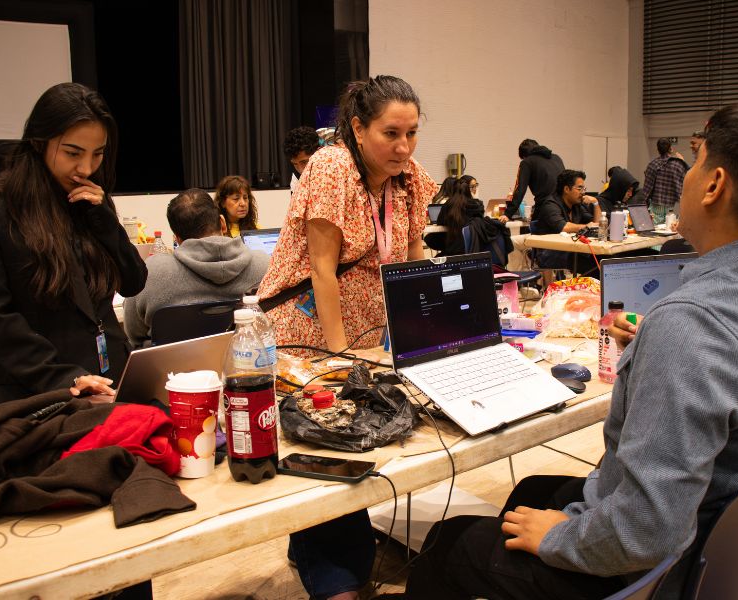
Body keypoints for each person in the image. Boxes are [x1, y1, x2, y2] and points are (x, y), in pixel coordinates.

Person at [390, 99, 738, 600]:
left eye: (695, 165)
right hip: (720, 543)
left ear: (714, 185)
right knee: (532, 493)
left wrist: (562, 538)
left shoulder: (693, 327)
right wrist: (659, 342)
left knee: (450, 542)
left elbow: (646, 531)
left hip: (660, 568)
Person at [257, 75, 437, 600]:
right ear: (358, 128)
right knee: (327, 440)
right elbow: (320, 269)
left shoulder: (408, 177)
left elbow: (411, 259)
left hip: (365, 328)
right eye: (390, 133)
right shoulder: (332, 166)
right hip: (308, 327)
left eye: (411, 133)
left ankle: (319, 552)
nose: (403, 146)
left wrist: (418, 335)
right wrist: (337, 359)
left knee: (363, 439)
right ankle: (333, 573)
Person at [0, 82, 147, 404]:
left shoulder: (90, 200)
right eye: (72, 153)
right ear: (39, 142)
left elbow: (133, 282)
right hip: (43, 392)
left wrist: (105, 220)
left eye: (98, 154)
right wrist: (65, 379)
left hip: (112, 382)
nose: (86, 168)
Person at [122, 188, 270, 347]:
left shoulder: (149, 273)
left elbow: (133, 336)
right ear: (222, 223)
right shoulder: (265, 265)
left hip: (170, 368)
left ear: (177, 239)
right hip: (248, 364)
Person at [532, 169, 600, 271]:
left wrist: (595, 203)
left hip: (571, 249)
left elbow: (596, 224)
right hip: (550, 253)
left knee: (600, 259)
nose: (583, 193)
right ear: (567, 189)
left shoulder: (577, 205)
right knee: (593, 262)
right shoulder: (550, 205)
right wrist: (586, 226)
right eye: (579, 189)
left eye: (584, 189)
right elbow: (563, 227)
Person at [436, 178, 510, 260]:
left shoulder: (449, 204)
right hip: (477, 251)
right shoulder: (477, 205)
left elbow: (440, 222)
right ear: (468, 189)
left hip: (455, 250)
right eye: (473, 187)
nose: (475, 189)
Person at [501, 138, 565, 223]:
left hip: (546, 208)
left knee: (534, 231)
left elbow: (520, 189)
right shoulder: (557, 158)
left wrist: (507, 214)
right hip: (564, 208)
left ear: (524, 156)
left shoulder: (527, 162)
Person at [642, 138, 689, 223]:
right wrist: (682, 161)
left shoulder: (652, 164)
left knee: (655, 232)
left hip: (655, 205)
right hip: (671, 206)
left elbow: (646, 189)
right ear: (671, 149)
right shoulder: (677, 165)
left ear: (658, 149)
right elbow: (687, 179)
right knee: (669, 229)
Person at [284, 126, 321, 194]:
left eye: (304, 162)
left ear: (318, 152)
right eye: (295, 164)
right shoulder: (296, 178)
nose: (301, 170)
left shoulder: (337, 168)